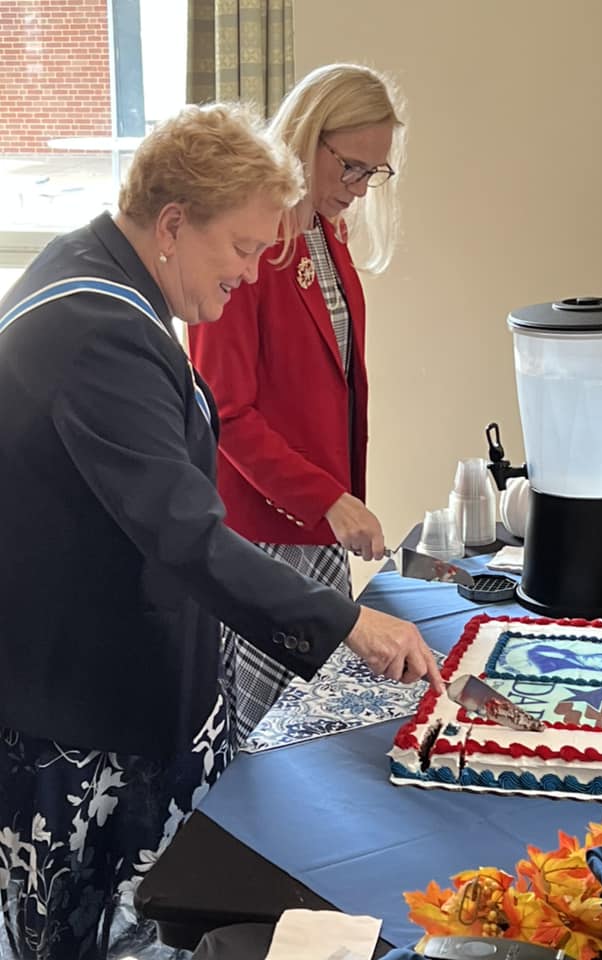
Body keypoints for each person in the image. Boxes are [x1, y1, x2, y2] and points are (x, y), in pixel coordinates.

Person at [0, 102, 442, 960]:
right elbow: (184, 534)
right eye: (241, 248)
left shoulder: (105, 275)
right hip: (78, 709)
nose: (249, 273)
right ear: (173, 224)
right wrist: (347, 620)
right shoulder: (96, 331)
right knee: (85, 934)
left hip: (107, 672)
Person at [189, 64, 407, 749]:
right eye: (350, 167)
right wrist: (325, 498)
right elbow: (226, 409)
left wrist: (333, 501)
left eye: (374, 174)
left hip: (315, 521)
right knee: (266, 736)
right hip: (263, 523)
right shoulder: (247, 246)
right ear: (307, 138)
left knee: (316, 727)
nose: (359, 188)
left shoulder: (327, 235)